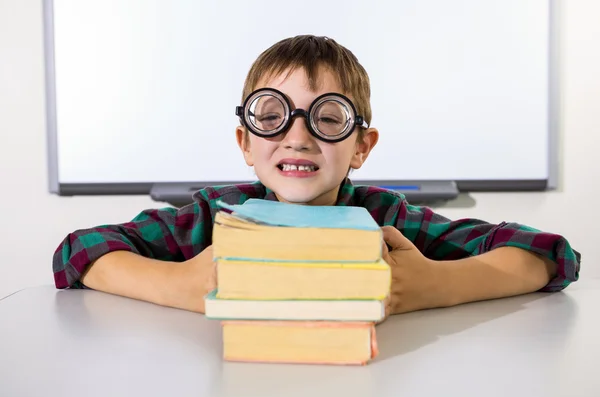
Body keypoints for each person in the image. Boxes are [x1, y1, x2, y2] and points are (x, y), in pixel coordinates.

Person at [52, 35, 580, 319]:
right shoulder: (215, 216)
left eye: (328, 119)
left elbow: (548, 253)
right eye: (271, 116)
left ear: (361, 147)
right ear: (245, 142)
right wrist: (181, 285)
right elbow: (79, 250)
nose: (298, 138)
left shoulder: (388, 220)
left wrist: (436, 285)